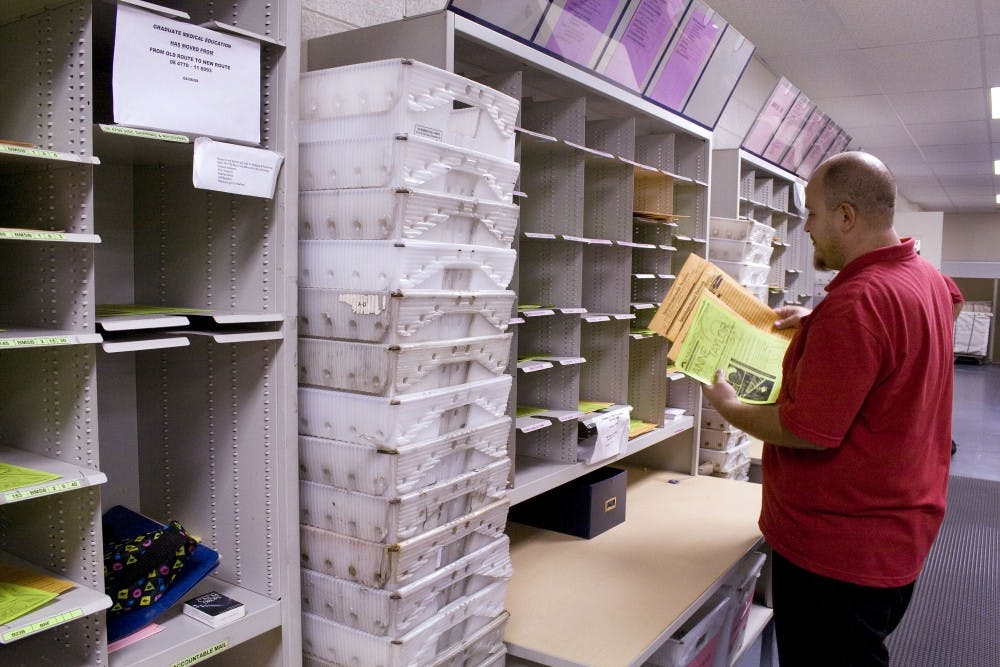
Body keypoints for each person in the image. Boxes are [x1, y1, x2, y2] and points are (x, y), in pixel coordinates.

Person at [701, 151, 957, 667]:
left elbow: (809, 430)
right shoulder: (922, 275)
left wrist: (729, 406)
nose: (807, 227)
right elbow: (939, 306)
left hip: (840, 552)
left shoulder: (859, 304)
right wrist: (820, 322)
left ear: (846, 216)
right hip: (898, 532)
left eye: (813, 214)